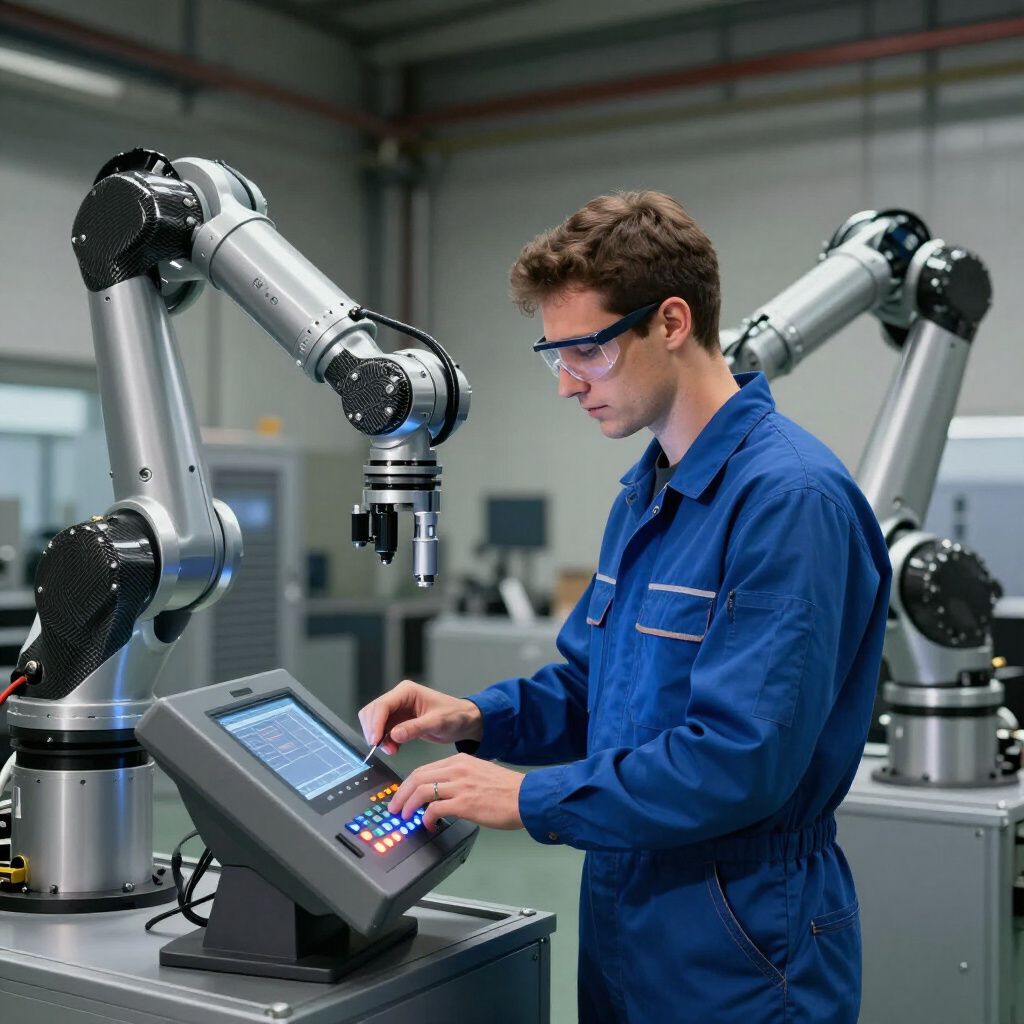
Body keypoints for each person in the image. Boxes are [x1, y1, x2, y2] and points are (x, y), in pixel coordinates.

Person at [360, 191, 891, 1023]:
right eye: (554, 355)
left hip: (743, 939)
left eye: (588, 351)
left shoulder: (789, 500)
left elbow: (740, 761)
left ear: (671, 322)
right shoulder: (647, 491)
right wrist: (473, 717)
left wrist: (528, 798)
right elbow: (596, 686)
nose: (568, 384)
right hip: (627, 910)